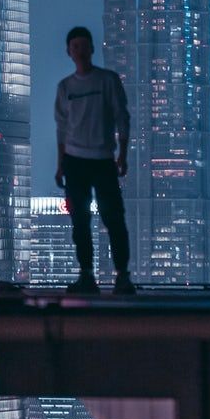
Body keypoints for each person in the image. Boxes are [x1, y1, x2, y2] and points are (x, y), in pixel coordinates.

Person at [54, 25, 136, 295]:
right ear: (69, 51)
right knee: (79, 221)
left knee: (113, 218)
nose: (79, 50)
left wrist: (122, 153)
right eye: (74, 46)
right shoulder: (65, 87)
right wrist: (60, 164)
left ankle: (122, 276)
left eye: (83, 45)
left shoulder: (107, 81)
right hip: (75, 161)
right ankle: (86, 275)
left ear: (92, 48)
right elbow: (62, 128)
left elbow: (122, 117)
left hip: (103, 159)